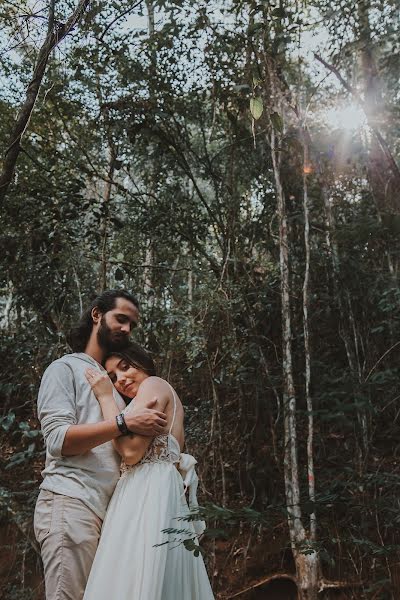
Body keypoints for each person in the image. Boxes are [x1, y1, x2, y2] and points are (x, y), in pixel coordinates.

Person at [34, 289, 168, 600]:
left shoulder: (122, 386)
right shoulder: (64, 369)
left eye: (132, 324)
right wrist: (123, 423)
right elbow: (57, 440)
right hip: (72, 502)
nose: (127, 329)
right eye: (121, 319)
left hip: (112, 518)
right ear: (97, 315)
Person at [82, 341, 215, 600]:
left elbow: (131, 452)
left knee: (136, 575)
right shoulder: (154, 394)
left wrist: (106, 396)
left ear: (141, 361)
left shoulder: (153, 384)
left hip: (147, 491)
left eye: (125, 367)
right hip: (155, 488)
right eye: (113, 377)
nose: (121, 379)